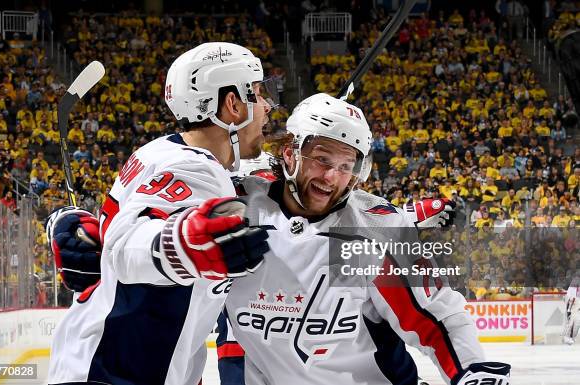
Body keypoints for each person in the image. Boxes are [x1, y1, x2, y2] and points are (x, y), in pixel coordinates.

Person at [217, 93, 510, 385]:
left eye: (346, 166)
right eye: (321, 159)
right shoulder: (238, 208)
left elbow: (437, 317)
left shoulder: (373, 231)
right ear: (291, 153)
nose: (332, 176)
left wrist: (472, 371)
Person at [46, 42, 275, 385]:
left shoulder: (159, 151)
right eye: (257, 93)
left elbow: (121, 227)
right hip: (113, 372)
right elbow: (128, 245)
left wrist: (62, 221)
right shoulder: (192, 170)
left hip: (108, 363)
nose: (268, 106)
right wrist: (180, 243)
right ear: (233, 105)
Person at [563, 273, 580, 345]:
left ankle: (570, 337)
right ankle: (568, 337)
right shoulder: (572, 287)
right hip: (572, 305)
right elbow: (569, 298)